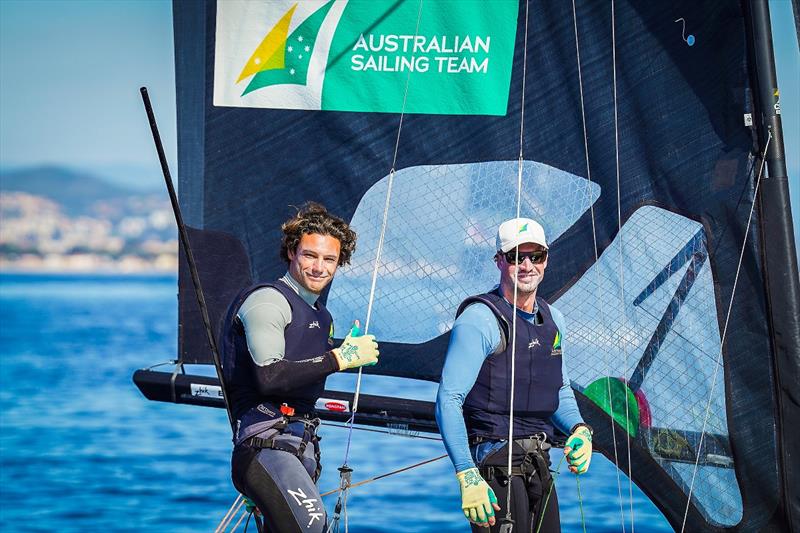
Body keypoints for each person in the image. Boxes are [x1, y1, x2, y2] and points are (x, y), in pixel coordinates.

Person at [221, 202, 379, 533]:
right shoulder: (268, 301)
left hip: (301, 449)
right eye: (310, 255)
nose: (319, 267)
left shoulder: (323, 316)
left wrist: (335, 352)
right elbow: (269, 376)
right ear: (292, 251)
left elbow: (302, 374)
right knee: (311, 526)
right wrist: (339, 358)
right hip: (263, 447)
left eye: (330, 259)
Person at [436, 217, 593, 532]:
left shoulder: (555, 319)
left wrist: (580, 430)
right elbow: (448, 400)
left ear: (546, 260)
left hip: (539, 464)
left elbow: (559, 389)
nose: (527, 265)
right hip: (495, 467)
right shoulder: (479, 320)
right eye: (515, 256)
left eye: (535, 256)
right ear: (498, 261)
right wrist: (467, 475)